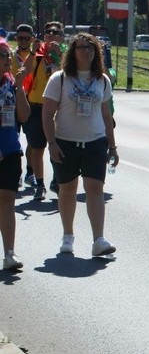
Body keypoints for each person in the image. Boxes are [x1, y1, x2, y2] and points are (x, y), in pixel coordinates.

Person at [42, 32, 118, 257]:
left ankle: (99, 240)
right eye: (81, 47)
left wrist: (112, 147)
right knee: (67, 189)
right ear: (72, 52)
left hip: (95, 142)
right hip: (65, 142)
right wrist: (52, 143)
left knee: (95, 189)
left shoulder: (102, 80)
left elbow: (106, 115)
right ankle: (68, 236)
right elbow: (47, 114)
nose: (86, 51)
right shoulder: (60, 79)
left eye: (91, 48)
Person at [22, 21, 66, 200]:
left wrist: (60, 55)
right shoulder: (38, 54)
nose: (52, 35)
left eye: (56, 33)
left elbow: (70, 74)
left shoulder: (66, 55)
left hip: (58, 110)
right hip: (36, 107)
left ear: (61, 37)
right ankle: (39, 185)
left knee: (58, 148)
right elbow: (25, 71)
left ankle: (57, 180)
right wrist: (33, 51)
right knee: (37, 148)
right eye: (48, 32)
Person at [0, 39, 31, 269]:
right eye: (2, 55)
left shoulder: (11, 84)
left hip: (10, 151)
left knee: (8, 201)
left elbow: (23, 116)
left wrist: (20, 87)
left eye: (8, 55)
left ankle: (9, 254)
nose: (7, 60)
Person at [10, 24, 36, 188]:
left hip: (32, 101)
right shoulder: (9, 56)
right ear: (16, 38)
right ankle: (17, 173)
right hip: (12, 101)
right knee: (14, 140)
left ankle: (30, 171)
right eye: (21, 38)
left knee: (33, 141)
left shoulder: (37, 55)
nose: (24, 41)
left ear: (32, 39)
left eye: (27, 38)